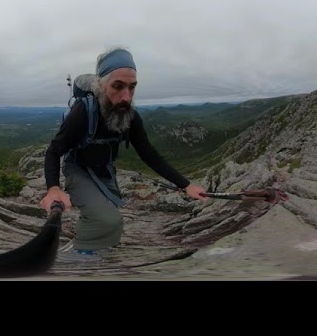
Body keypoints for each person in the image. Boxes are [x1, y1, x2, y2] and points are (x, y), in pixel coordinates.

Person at [39, 47, 207, 260]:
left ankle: (91, 239)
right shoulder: (83, 112)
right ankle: (76, 257)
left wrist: (186, 185)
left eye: (132, 87)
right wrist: (53, 188)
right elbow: (54, 150)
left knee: (112, 224)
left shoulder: (130, 117)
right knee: (108, 220)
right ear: (101, 84)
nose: (126, 97)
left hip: (105, 171)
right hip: (78, 169)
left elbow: (149, 154)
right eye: (117, 86)